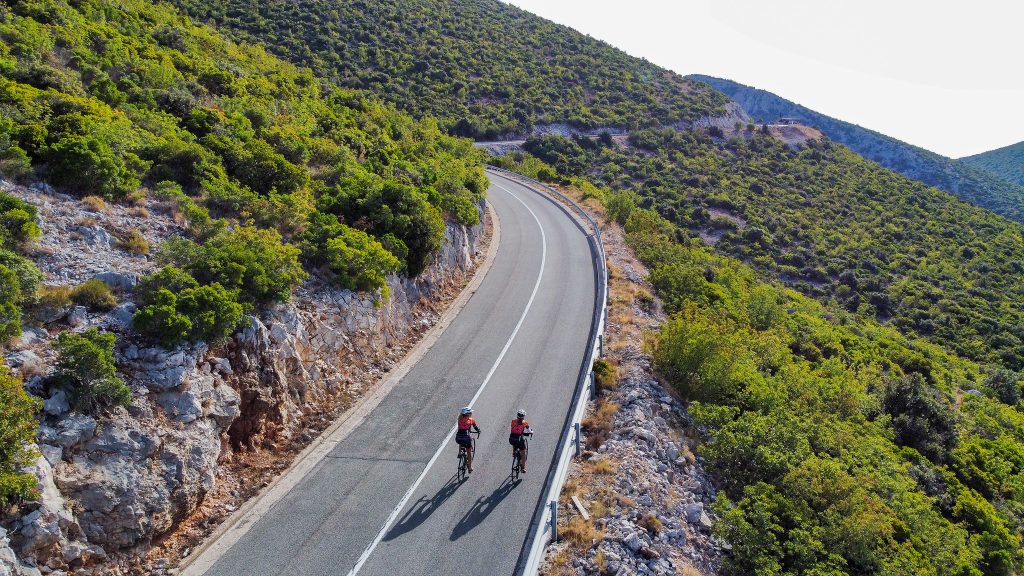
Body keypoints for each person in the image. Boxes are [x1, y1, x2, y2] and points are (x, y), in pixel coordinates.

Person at [456, 407, 481, 472]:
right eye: (470, 412)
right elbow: (475, 427)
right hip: (466, 439)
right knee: (469, 454)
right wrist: (478, 431)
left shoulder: (460, 419)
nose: (471, 413)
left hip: (458, 438)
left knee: (461, 442)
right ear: (468, 414)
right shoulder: (471, 420)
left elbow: (461, 414)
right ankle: (469, 467)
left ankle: (460, 453)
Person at [509, 409, 532, 473]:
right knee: (523, 452)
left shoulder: (513, 421)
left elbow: (515, 429)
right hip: (519, 440)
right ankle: (523, 467)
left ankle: (514, 452)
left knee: (514, 442)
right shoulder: (525, 423)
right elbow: (529, 430)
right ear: (523, 417)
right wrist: (531, 432)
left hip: (511, 438)